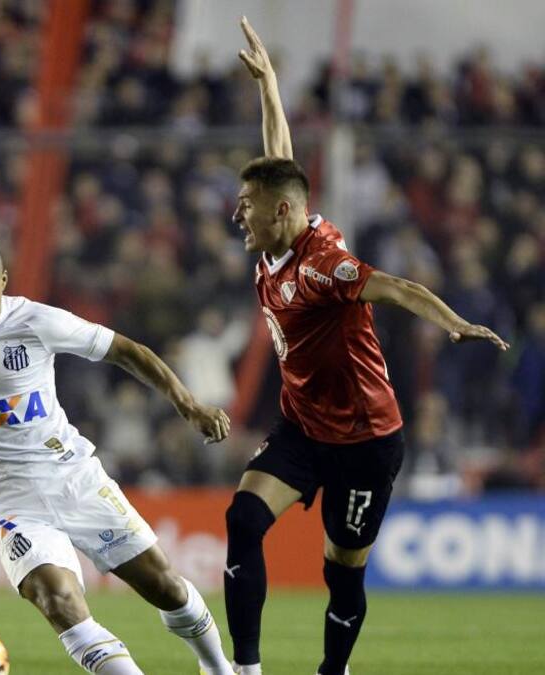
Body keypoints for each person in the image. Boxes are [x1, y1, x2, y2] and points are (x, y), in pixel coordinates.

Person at [224, 18, 509, 675]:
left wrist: (453, 321)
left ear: (282, 214)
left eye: (247, 205)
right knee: (243, 518)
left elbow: (397, 286)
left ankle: (334, 670)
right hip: (303, 427)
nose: (239, 213)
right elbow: (280, 162)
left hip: (366, 440)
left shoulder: (324, 265)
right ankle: (244, 669)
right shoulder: (278, 238)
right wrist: (269, 85)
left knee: (342, 569)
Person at [0, 238, 236, 675]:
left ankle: (218, 668)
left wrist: (189, 406)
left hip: (74, 479)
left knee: (165, 587)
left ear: (3, 281)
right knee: (57, 599)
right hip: (7, 502)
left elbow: (126, 350)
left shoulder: (36, 321)